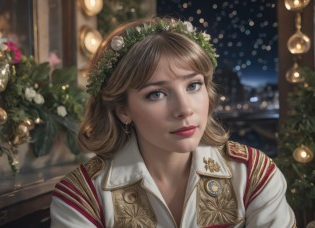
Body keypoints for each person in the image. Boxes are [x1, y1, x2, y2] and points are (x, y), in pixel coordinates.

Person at [50, 17, 296, 227]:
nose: (184, 109)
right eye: (156, 93)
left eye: (193, 85)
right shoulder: (81, 196)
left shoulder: (253, 174)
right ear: (122, 109)